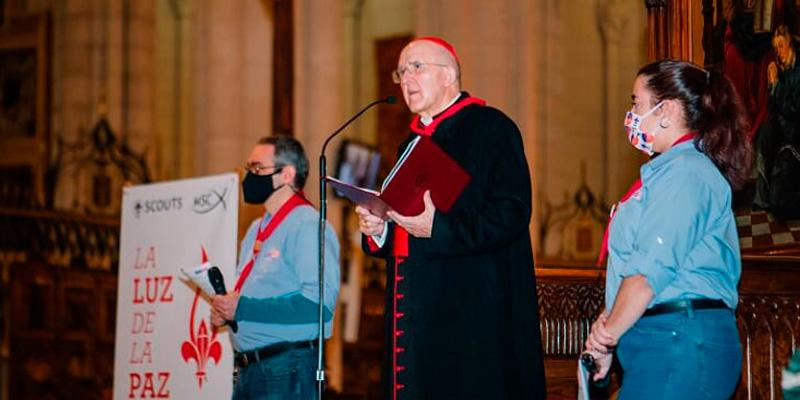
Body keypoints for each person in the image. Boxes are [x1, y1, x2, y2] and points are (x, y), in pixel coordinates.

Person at [355, 36, 546, 399]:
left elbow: (512, 213)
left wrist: (438, 229)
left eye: (416, 67)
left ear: (448, 75)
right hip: (416, 312)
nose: (406, 78)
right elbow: (408, 223)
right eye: (401, 72)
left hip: (468, 315)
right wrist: (380, 229)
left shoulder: (491, 128)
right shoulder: (409, 143)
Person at [585, 60, 752, 399]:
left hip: (680, 339)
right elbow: (633, 266)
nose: (631, 114)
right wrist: (608, 327)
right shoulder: (666, 173)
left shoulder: (687, 172)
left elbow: (648, 272)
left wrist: (606, 337)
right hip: (663, 340)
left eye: (636, 103)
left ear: (667, 110)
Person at [211, 136, 340, 400]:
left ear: (287, 175)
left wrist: (243, 308)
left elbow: (319, 305)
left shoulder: (308, 225)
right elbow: (252, 292)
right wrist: (228, 311)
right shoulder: (256, 229)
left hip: (286, 368)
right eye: (249, 168)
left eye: (257, 168)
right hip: (250, 367)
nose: (250, 176)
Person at [753, 24, 800, 219]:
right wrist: (772, 85)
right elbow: (772, 107)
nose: (778, 51)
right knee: (764, 133)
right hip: (783, 127)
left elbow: (794, 109)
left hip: (795, 131)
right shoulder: (781, 69)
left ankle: (766, 198)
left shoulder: (798, 70)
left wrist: (778, 85)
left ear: (790, 45)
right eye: (775, 47)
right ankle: (761, 197)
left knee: (781, 205)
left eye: (781, 46)